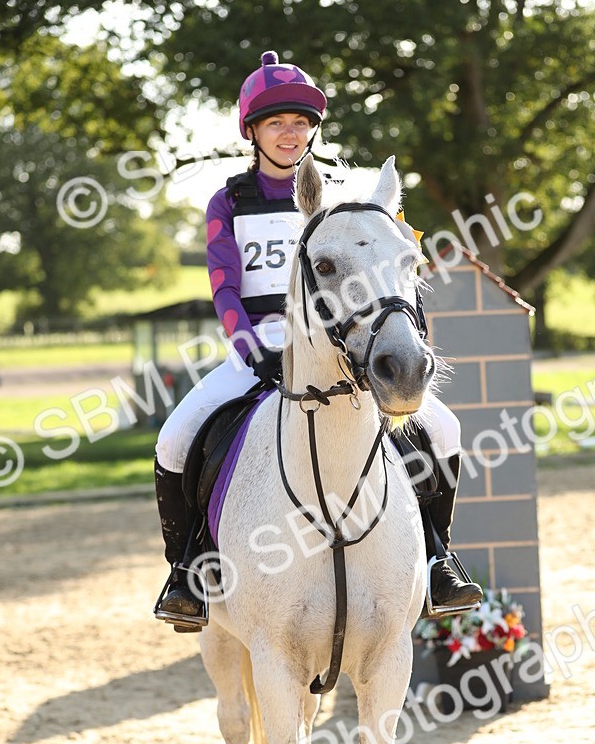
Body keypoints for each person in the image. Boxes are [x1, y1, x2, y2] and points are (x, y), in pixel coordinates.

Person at [153, 50, 482, 631]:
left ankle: (436, 556)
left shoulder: (345, 195)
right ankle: (187, 572)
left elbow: (391, 274)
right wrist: (252, 350)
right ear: (251, 131)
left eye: (302, 122)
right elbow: (225, 287)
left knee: (444, 428)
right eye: (277, 122)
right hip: (258, 345)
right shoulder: (228, 202)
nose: (291, 133)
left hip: (344, 341)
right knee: (177, 436)